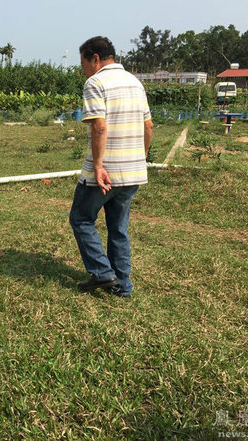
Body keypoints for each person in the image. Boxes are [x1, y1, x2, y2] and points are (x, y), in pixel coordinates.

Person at [70, 36, 153, 298]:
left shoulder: (96, 82)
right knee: (118, 227)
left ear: (95, 59)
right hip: (133, 172)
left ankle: (102, 273)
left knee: (81, 218)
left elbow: (100, 126)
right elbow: (148, 126)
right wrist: (141, 157)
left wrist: (97, 166)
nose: (82, 69)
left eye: (83, 62)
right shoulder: (135, 82)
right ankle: (123, 286)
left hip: (106, 173)